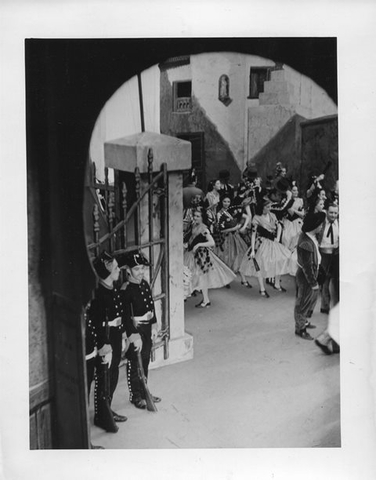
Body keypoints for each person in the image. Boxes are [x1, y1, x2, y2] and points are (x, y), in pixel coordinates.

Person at [89, 251, 134, 429]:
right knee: (104, 377)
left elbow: (120, 313)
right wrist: (102, 344)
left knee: (113, 372)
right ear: (106, 273)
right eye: (115, 268)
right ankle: (101, 414)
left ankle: (107, 407)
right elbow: (96, 322)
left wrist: (123, 333)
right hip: (106, 339)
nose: (118, 270)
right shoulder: (99, 294)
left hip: (115, 335)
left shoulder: (112, 288)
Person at [117, 251, 161, 410]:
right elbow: (125, 316)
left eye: (142, 268)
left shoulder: (145, 284)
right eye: (137, 269)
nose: (141, 272)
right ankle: (135, 395)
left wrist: (154, 325)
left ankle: (144, 391)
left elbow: (151, 306)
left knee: (145, 360)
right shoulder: (126, 289)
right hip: (135, 330)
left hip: (148, 327)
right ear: (128, 270)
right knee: (135, 362)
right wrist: (132, 335)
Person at [239, 197, 292, 297]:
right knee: (261, 264)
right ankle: (262, 288)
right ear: (262, 207)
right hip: (262, 242)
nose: (269, 208)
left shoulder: (272, 215)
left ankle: (276, 283)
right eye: (267, 207)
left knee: (279, 260)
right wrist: (253, 249)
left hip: (273, 242)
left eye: (270, 206)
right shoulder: (256, 218)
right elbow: (254, 234)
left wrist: (277, 237)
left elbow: (279, 226)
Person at [184, 207, 236, 307]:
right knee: (190, 274)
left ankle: (204, 300)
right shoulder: (194, 225)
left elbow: (211, 242)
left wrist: (199, 245)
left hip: (201, 255)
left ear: (202, 217)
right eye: (195, 216)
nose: (195, 218)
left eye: (198, 216)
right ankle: (198, 297)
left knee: (199, 276)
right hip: (192, 253)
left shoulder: (204, 229)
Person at [84, 300, 114, 443]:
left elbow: (94, 328)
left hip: (91, 354)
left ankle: (100, 418)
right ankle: (84, 441)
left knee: (90, 392)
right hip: (82, 358)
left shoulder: (88, 310)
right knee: (82, 399)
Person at [294, 212, 326, 340]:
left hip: (312, 272)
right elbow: (307, 267)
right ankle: (300, 329)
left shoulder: (311, 236)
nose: (321, 227)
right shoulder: (306, 243)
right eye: (320, 225)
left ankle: (304, 322)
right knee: (303, 302)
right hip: (307, 276)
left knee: (309, 300)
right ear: (314, 226)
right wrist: (313, 283)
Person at [214, 195, 250, 286]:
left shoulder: (234, 211)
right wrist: (234, 228)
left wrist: (243, 227)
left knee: (240, 256)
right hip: (225, 238)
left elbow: (247, 217)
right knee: (227, 258)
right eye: (224, 201)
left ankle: (243, 279)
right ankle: (226, 279)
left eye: (228, 202)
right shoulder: (219, 214)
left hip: (236, 237)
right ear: (221, 202)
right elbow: (221, 230)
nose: (226, 203)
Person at [317, 203, 339, 314]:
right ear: (327, 212)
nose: (333, 215)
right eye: (331, 212)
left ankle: (336, 307)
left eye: (335, 213)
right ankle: (324, 306)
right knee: (324, 280)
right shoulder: (322, 223)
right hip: (323, 253)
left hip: (335, 254)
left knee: (335, 281)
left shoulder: (340, 224)